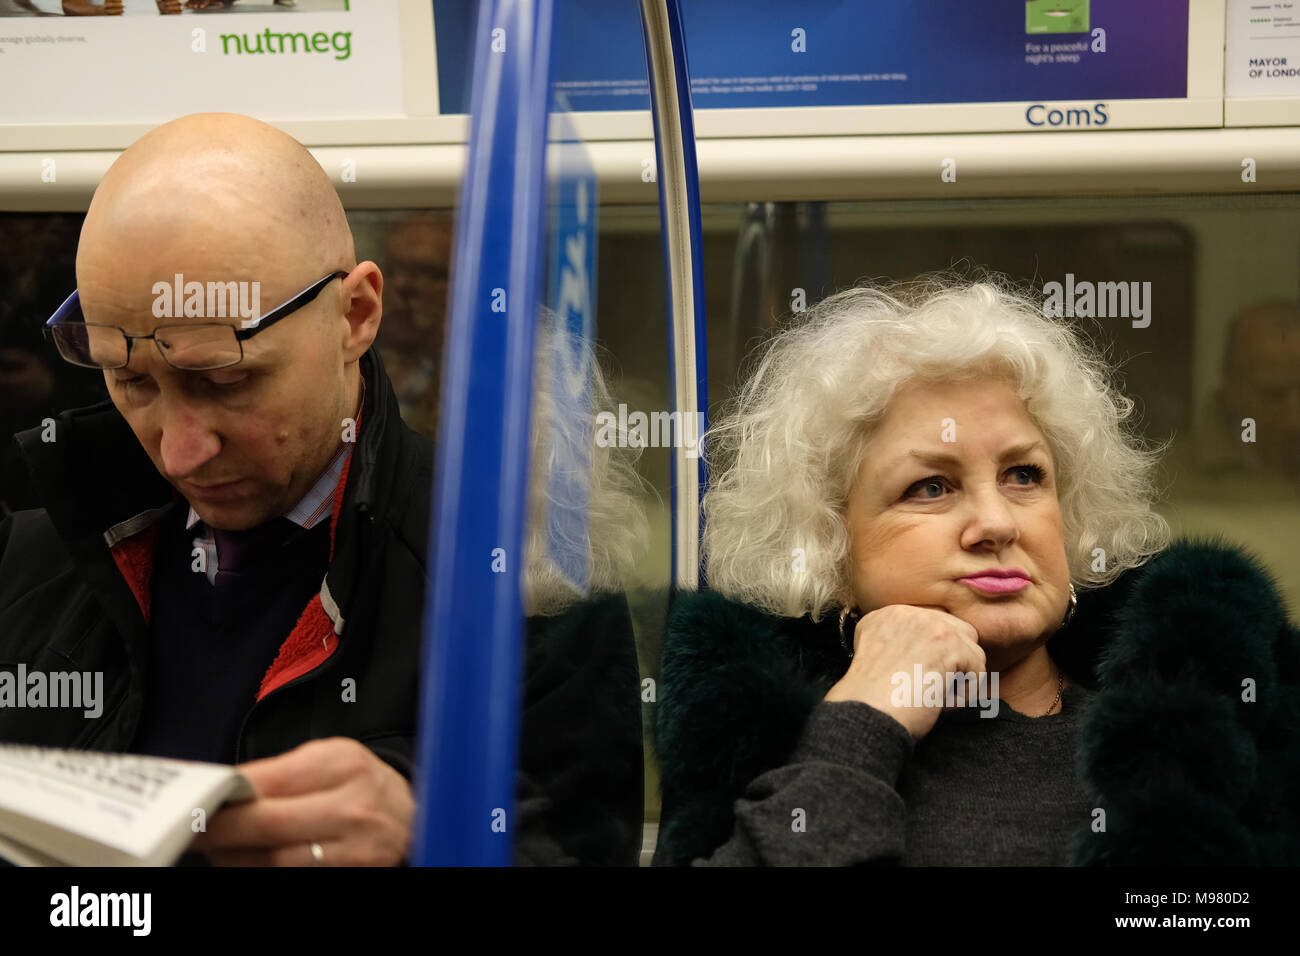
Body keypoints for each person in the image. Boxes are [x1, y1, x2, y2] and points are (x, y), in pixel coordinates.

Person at [0, 112, 645, 866]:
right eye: (128, 378)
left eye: (226, 379)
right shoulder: (29, 566)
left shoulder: (529, 582)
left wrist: (433, 840)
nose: (180, 451)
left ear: (356, 316)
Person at [653, 277, 1300, 866]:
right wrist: (862, 724)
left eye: (1024, 476)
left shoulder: (1212, 724)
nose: (996, 523)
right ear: (830, 546)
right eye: (930, 486)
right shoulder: (764, 743)